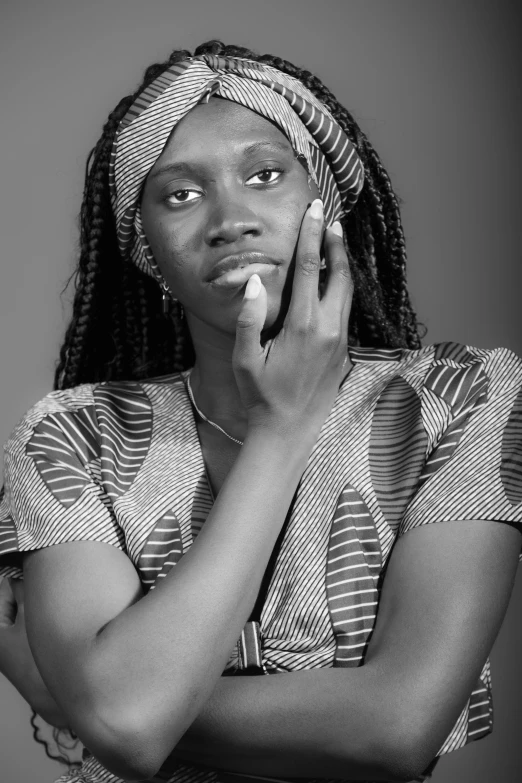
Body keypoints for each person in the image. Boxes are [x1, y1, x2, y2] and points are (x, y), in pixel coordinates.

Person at [0, 39, 521, 783]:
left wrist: (83, 700)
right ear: (145, 250)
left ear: (327, 201)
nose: (230, 218)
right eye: (179, 194)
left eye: (265, 175)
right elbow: (122, 718)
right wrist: (282, 432)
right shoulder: (71, 433)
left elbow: (399, 727)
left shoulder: (459, 397)